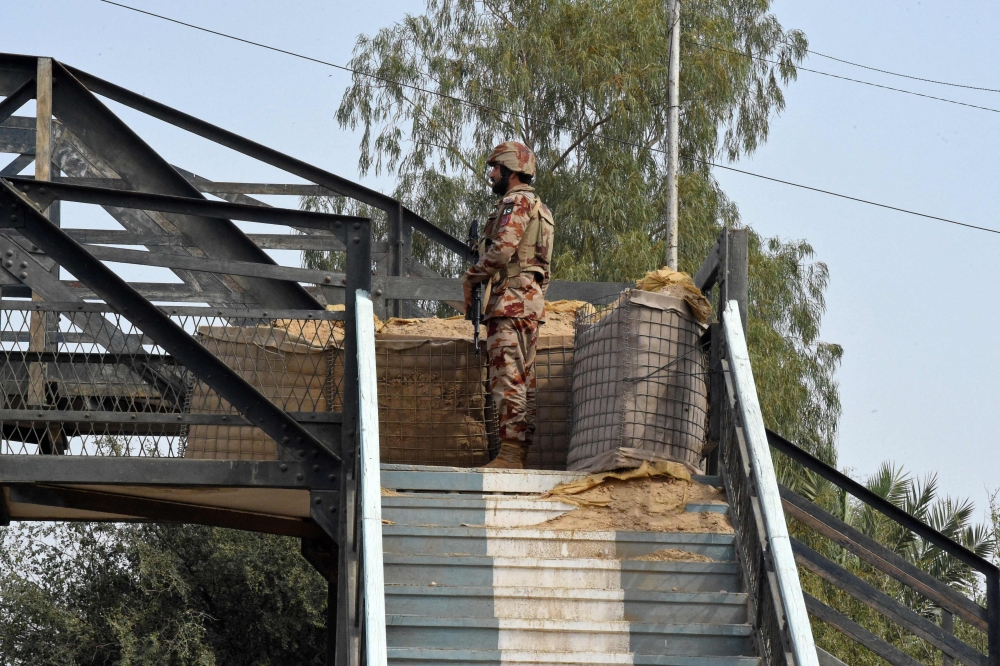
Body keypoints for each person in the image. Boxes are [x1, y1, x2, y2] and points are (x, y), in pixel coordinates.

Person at [463, 141, 555, 469]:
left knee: (507, 378)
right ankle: (519, 455)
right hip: (529, 302)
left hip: (511, 303)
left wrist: (472, 277)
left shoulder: (515, 201)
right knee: (524, 380)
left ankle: (512, 455)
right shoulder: (541, 209)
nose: (490, 174)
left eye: (495, 168)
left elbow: (502, 251)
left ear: (510, 172)